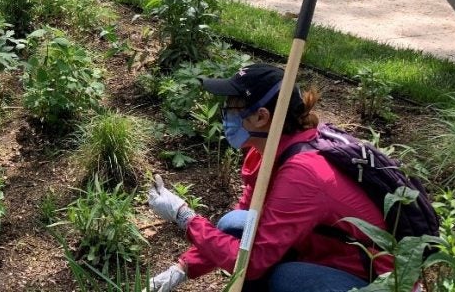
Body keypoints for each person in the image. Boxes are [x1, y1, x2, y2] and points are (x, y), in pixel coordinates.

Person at [146, 63, 393, 292]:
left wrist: (185, 217)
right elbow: (247, 224)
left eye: (232, 105)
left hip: (373, 278)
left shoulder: (303, 172)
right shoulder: (267, 153)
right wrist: (183, 268)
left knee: (284, 278)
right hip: (321, 252)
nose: (224, 113)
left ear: (261, 117)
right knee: (234, 223)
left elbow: (252, 262)